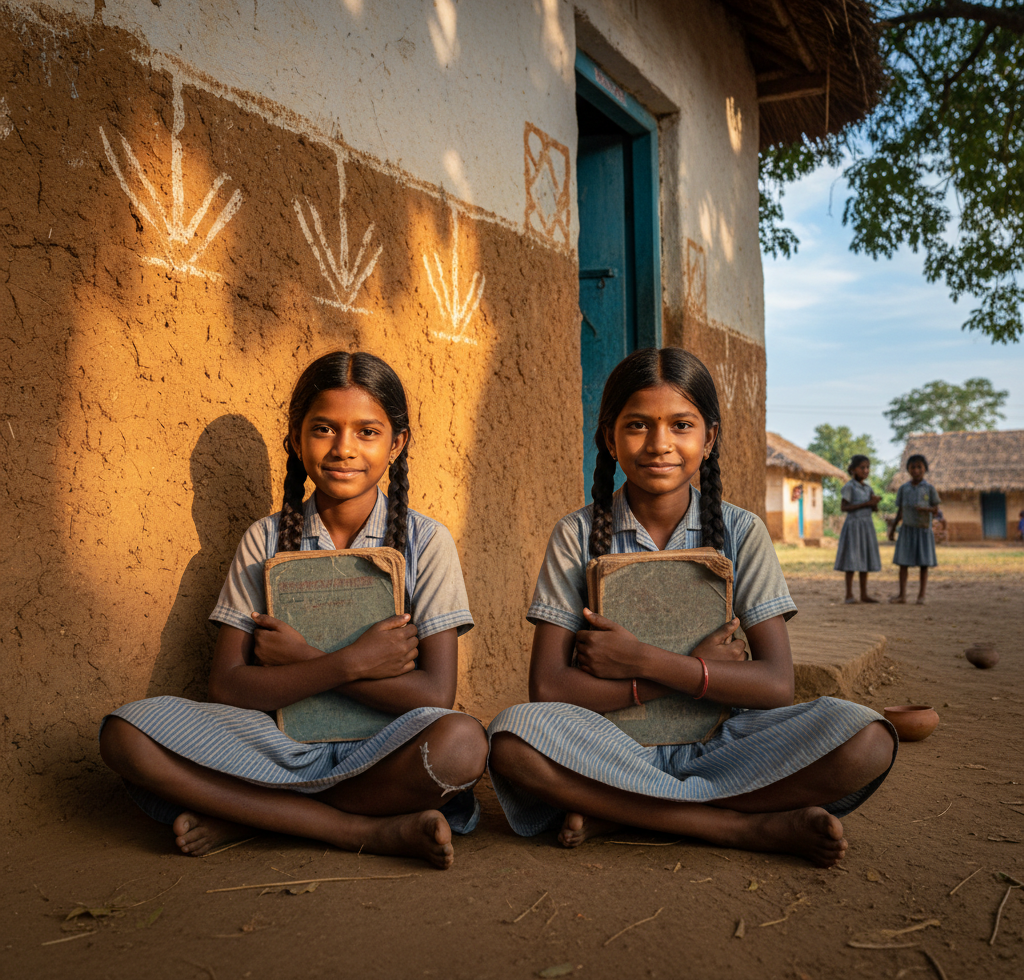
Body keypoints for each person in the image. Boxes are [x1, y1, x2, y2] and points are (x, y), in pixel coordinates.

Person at [487, 348, 896, 869]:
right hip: (610, 747)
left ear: (710, 438)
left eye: (681, 424)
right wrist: (662, 674)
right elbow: (546, 688)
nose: (660, 444)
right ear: (610, 436)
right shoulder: (577, 535)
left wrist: (643, 660)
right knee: (510, 741)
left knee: (868, 741)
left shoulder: (742, 532)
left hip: (726, 740)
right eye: (638, 425)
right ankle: (735, 826)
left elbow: (776, 685)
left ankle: (624, 812)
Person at [100, 352, 488, 869]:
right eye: (324, 428)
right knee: (124, 734)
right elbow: (229, 688)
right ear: (296, 439)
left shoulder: (427, 542)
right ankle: (353, 830)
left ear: (397, 443)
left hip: (383, 750)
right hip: (276, 748)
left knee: (462, 743)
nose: (344, 449)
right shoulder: (265, 539)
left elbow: (435, 694)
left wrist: (302, 656)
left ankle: (250, 817)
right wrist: (348, 662)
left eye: (367, 432)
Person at [888, 454, 940, 605]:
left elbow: (936, 510)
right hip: (906, 530)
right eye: (913, 467)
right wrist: (893, 529)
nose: (916, 470)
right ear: (908, 469)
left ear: (925, 469)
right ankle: (902, 595)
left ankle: (921, 595)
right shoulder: (903, 489)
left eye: (919, 467)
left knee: (924, 564)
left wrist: (926, 510)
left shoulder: (929, 489)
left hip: (923, 530)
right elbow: (900, 511)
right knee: (903, 563)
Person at [834, 455, 882, 604]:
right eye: (862, 467)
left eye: (868, 468)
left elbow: (873, 509)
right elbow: (844, 507)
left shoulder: (868, 488)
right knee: (852, 559)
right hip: (854, 526)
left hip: (866, 526)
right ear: (853, 469)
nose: (865, 470)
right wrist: (867, 503)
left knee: (864, 559)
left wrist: (874, 503)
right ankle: (849, 594)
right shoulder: (849, 486)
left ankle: (864, 594)